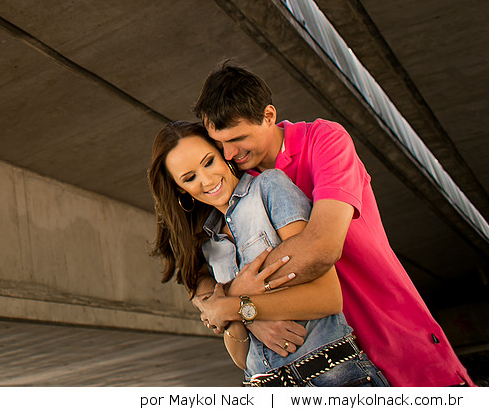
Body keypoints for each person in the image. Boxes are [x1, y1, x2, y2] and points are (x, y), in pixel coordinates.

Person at [191, 61, 472, 387]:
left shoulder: (324, 140)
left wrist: (234, 301)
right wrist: (231, 306)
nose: (227, 154)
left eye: (237, 138)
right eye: (219, 143)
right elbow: (197, 255)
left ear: (268, 116)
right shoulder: (236, 182)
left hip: (392, 336)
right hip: (323, 362)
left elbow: (322, 246)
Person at [149, 120, 388, 386]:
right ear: (181, 189)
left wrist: (236, 306)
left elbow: (329, 298)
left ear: (223, 155)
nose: (207, 180)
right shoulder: (208, 245)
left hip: (332, 376)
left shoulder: (270, 187)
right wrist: (245, 316)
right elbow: (241, 358)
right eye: (190, 177)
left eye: (208, 162)